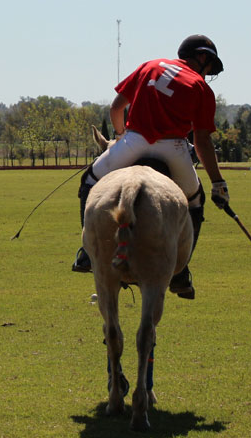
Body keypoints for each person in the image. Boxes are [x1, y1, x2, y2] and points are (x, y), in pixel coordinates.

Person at [71, 34, 230, 301]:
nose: (208, 73)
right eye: (209, 66)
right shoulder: (201, 88)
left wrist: (120, 137)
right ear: (201, 57)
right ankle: (180, 272)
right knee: (194, 202)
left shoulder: (150, 65)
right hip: (174, 149)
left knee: (89, 181)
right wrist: (217, 182)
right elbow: (201, 141)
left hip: (134, 141)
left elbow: (116, 108)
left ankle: (89, 252)